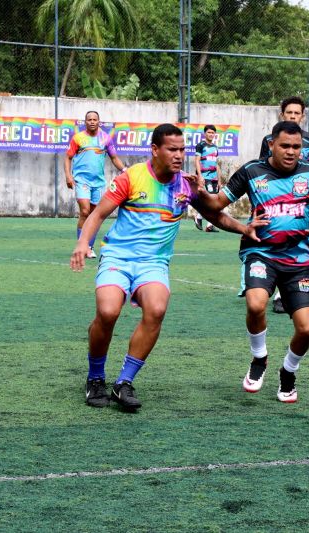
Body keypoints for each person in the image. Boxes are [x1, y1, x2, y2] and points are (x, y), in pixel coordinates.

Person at [70, 123, 264, 410]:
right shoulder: (131, 177)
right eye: (172, 149)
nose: (179, 155)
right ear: (155, 150)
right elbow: (98, 214)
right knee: (108, 312)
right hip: (118, 257)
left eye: (182, 149)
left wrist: (244, 229)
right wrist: (82, 243)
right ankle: (95, 378)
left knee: (157, 309)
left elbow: (215, 215)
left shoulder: (186, 184)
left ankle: (123, 383)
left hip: (154, 263)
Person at [197, 121, 309, 403]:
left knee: (307, 328)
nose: (291, 152)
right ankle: (259, 357)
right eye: (285, 146)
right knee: (256, 303)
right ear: (271, 144)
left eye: (296, 147)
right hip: (260, 252)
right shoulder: (252, 171)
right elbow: (215, 206)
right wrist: (198, 193)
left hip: (299, 259)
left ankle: (288, 371)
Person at [259, 96, 309, 314]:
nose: (292, 116)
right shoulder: (269, 140)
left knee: (297, 242)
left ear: (303, 115)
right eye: (288, 112)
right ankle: (262, 280)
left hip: (302, 204)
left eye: (296, 113)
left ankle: (285, 293)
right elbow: (262, 170)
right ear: (282, 114)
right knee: (269, 239)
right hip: (274, 202)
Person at [65, 111, 126, 258]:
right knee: (85, 211)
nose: (92, 122)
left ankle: (89, 247)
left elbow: (114, 157)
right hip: (81, 180)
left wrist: (125, 170)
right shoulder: (78, 138)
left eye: (95, 119)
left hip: (98, 183)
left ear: (99, 122)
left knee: (93, 215)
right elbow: (68, 158)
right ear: (85, 122)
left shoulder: (105, 139)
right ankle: (82, 245)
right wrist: (68, 176)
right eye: (89, 119)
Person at [193, 124, 221, 233]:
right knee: (210, 199)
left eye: (213, 133)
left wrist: (219, 179)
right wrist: (199, 176)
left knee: (214, 200)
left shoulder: (215, 147)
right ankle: (199, 217)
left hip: (214, 178)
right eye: (209, 132)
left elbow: (216, 163)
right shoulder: (201, 145)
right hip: (205, 176)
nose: (211, 134)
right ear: (205, 134)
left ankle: (209, 225)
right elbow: (196, 160)